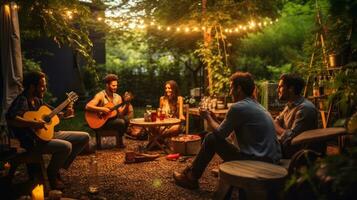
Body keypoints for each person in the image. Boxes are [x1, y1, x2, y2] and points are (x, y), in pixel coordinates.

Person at [173, 72, 282, 190]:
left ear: (238, 89)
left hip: (257, 162)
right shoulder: (257, 106)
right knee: (209, 135)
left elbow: (220, 134)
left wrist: (207, 117)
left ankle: (191, 178)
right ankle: (191, 172)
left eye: (231, 88)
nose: (230, 92)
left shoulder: (238, 107)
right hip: (270, 159)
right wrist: (214, 119)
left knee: (211, 138)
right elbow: (227, 135)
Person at [6, 71, 90, 190]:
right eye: (42, 86)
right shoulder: (22, 100)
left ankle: (57, 169)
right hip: (33, 141)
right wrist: (33, 123)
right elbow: (11, 119)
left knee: (85, 137)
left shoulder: (38, 100)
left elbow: (52, 114)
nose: (44, 88)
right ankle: (51, 174)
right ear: (31, 87)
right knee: (66, 146)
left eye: (45, 85)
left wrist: (65, 113)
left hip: (47, 135)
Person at [274, 73, 320, 158]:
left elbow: (291, 137)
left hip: (296, 156)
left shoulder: (305, 109)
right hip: (282, 149)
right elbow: (277, 120)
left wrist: (275, 127)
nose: (278, 90)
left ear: (291, 88)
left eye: (280, 86)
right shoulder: (290, 105)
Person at [85, 74, 133, 148]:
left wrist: (127, 104)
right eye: (113, 85)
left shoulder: (118, 97)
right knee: (121, 122)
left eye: (116, 85)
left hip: (111, 120)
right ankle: (118, 140)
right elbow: (88, 106)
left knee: (126, 120)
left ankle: (120, 140)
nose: (115, 87)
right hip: (99, 121)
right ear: (107, 85)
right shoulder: (100, 95)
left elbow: (121, 113)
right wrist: (102, 109)